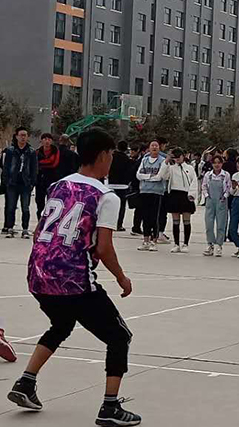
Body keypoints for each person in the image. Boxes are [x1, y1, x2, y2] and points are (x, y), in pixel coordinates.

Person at [6, 128, 140, 426]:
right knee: (119, 336)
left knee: (62, 323)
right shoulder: (105, 196)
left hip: (38, 274)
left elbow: (39, 233)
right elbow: (104, 247)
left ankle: (26, 383)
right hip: (74, 278)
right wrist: (122, 278)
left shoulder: (58, 185)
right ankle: (110, 407)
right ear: (103, 156)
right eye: (111, 156)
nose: (111, 161)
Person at [2, 127, 38, 239]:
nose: (23, 137)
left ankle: (25, 229)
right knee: (11, 207)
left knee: (25, 208)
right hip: (12, 183)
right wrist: (6, 181)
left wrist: (32, 182)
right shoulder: (10, 151)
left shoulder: (31, 152)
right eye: (21, 135)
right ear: (17, 136)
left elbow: (34, 168)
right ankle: (10, 228)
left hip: (25, 184)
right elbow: (6, 167)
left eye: (25, 135)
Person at [135, 140, 168, 252]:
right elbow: (138, 175)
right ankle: (145, 240)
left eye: (156, 146)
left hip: (157, 192)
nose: (154, 147)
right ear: (149, 148)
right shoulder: (144, 160)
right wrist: (149, 176)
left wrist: (147, 177)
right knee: (145, 216)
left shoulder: (162, 161)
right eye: (152, 145)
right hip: (144, 191)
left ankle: (154, 241)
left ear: (159, 148)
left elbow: (159, 177)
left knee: (154, 217)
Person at [165, 148, 197, 254]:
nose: (177, 158)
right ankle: (176, 244)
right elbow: (163, 176)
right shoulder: (171, 168)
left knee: (186, 220)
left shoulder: (190, 168)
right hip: (174, 194)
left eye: (179, 156)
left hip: (186, 195)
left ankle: (185, 244)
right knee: (175, 221)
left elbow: (194, 181)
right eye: (175, 157)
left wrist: (192, 194)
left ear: (183, 156)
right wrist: (166, 162)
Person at [201, 155, 231, 257]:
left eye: (219, 162)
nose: (217, 165)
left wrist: (225, 196)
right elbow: (204, 186)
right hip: (210, 200)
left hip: (221, 200)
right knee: (209, 224)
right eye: (215, 163)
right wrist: (207, 196)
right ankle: (210, 244)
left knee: (221, 224)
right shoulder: (208, 175)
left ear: (222, 164)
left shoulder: (225, 175)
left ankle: (219, 245)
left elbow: (228, 187)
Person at [107, 141, 132, 233]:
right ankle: (119, 224)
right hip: (123, 185)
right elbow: (129, 171)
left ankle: (110, 223)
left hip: (112, 183)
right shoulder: (127, 159)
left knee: (111, 205)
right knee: (121, 206)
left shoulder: (112, 157)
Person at [35, 133, 60, 220]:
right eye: (45, 139)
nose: (47, 141)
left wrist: (41, 163)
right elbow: (35, 164)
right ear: (41, 141)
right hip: (40, 180)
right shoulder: (37, 152)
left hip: (52, 179)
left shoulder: (56, 151)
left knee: (52, 202)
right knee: (39, 202)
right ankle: (40, 221)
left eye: (49, 139)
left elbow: (54, 164)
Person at [127, 145, 143, 236]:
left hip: (137, 187)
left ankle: (136, 227)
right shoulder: (140, 162)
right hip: (139, 188)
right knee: (140, 209)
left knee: (139, 209)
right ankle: (136, 227)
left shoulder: (137, 161)